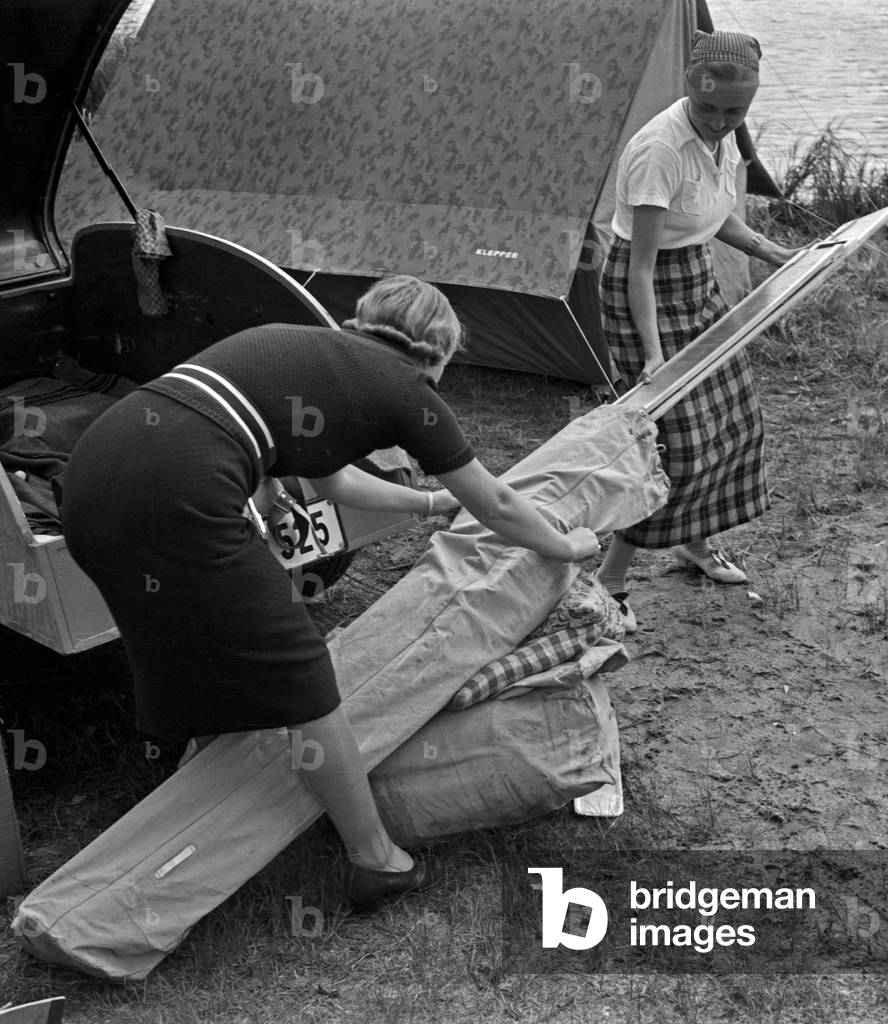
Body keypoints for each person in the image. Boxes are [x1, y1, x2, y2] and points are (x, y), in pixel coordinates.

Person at [60, 275, 600, 909]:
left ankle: (200, 801)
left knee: (182, 642)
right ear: (440, 350)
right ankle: (378, 860)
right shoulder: (404, 388)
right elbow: (504, 504)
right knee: (302, 675)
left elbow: (334, 479)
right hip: (184, 498)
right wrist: (567, 545)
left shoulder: (302, 348)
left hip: (90, 482)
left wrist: (429, 502)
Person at [595, 29, 799, 626]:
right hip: (645, 295)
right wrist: (655, 357)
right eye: (708, 109)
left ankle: (695, 542)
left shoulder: (726, 135)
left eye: (734, 112)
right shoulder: (660, 149)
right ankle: (610, 577)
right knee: (670, 443)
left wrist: (777, 253)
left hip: (695, 280)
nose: (719, 121)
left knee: (730, 418)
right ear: (690, 89)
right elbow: (639, 268)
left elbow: (719, 219)